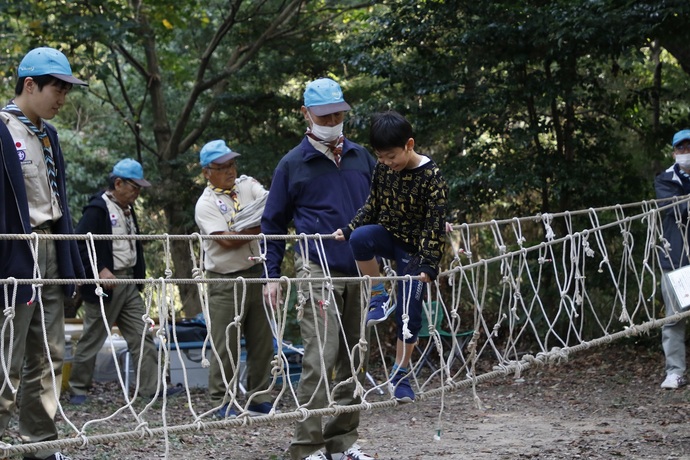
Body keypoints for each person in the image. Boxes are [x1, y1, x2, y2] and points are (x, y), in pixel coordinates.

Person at [261, 78, 376, 460]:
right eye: (325, 115)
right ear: (306, 114)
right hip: (317, 269)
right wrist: (272, 275)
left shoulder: (363, 157)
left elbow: (387, 205)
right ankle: (306, 447)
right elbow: (273, 223)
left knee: (354, 356)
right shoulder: (293, 164)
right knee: (319, 358)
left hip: (363, 268)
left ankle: (343, 443)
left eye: (339, 113)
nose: (333, 120)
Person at [0, 47, 87, 460]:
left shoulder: (48, 135)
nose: (62, 99)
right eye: (57, 88)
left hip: (50, 246)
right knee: (7, 355)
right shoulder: (1, 129)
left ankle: (41, 444)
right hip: (15, 252)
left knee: (50, 353)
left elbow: (60, 205)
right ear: (30, 85)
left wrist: (69, 264)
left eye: (66, 91)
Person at [333, 110, 448, 403]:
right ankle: (377, 293)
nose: (386, 162)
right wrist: (349, 228)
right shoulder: (383, 169)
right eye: (380, 156)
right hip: (388, 233)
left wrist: (428, 264)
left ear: (409, 145)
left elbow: (435, 225)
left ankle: (400, 374)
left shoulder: (431, 176)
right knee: (359, 239)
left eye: (391, 156)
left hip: (415, 249)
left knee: (409, 314)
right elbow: (372, 204)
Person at [69, 159, 183, 403]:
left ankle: (150, 388)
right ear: (118, 183)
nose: (137, 193)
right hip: (105, 284)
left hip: (129, 282)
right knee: (93, 337)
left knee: (143, 335)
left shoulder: (128, 210)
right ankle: (78, 388)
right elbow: (80, 243)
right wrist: (99, 270)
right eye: (134, 187)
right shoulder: (97, 209)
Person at [194, 139, 275, 418]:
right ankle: (222, 399)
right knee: (226, 342)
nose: (229, 171)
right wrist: (259, 228)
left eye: (232, 164)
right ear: (207, 171)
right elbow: (227, 242)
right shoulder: (206, 204)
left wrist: (257, 225)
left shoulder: (246, 185)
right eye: (221, 167)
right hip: (224, 280)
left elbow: (271, 204)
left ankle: (259, 396)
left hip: (256, 273)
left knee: (262, 341)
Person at [655, 129, 690, 390]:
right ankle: (675, 371)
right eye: (681, 148)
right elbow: (675, 207)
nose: (686, 153)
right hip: (676, 259)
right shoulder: (665, 180)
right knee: (674, 318)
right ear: (674, 153)